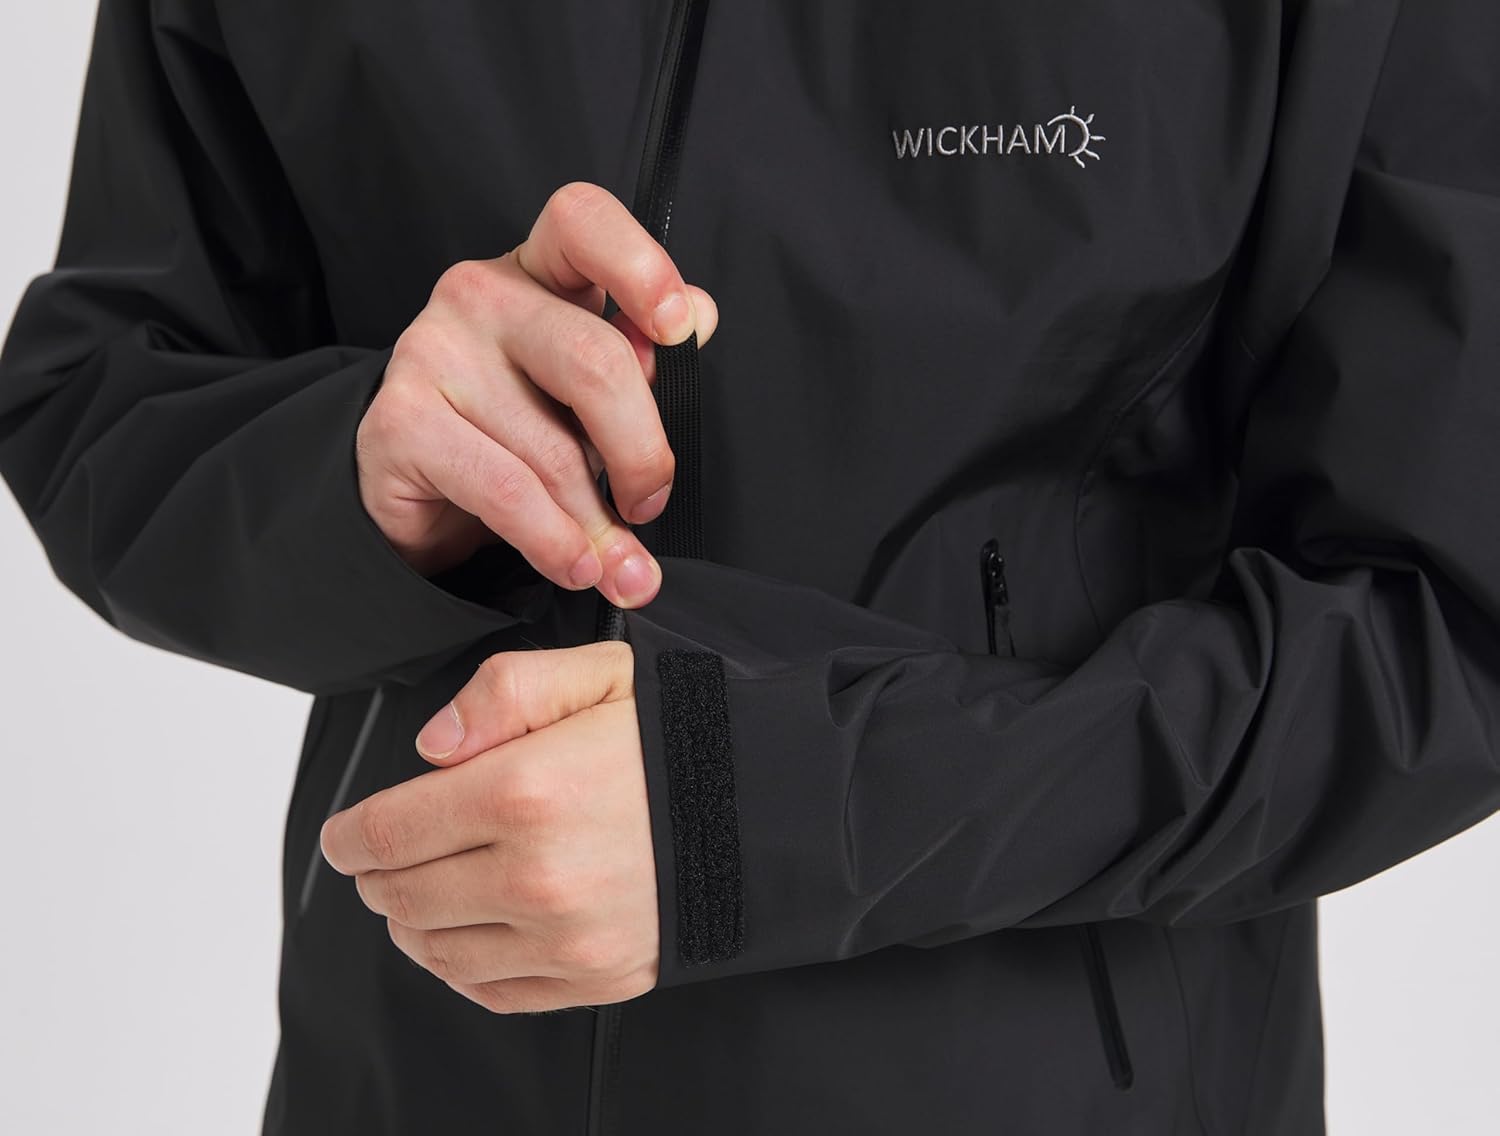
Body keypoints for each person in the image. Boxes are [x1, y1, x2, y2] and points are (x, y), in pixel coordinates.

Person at [1, 1, 1496, 1132]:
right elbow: (100, 396)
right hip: (410, 1068)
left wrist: (760, 816)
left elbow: (1448, 618)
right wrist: (372, 472)